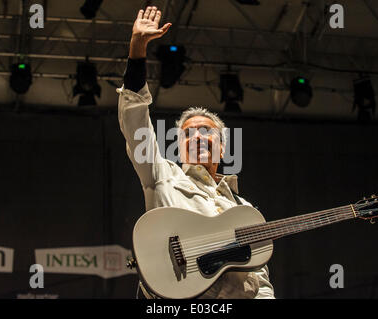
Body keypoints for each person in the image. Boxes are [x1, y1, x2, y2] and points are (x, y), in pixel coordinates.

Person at [116, 6, 275, 299]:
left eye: (206, 131)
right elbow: (134, 123)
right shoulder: (162, 176)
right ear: (179, 146)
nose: (198, 136)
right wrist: (137, 51)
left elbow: (260, 281)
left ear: (223, 146)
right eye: (188, 134)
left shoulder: (244, 207)